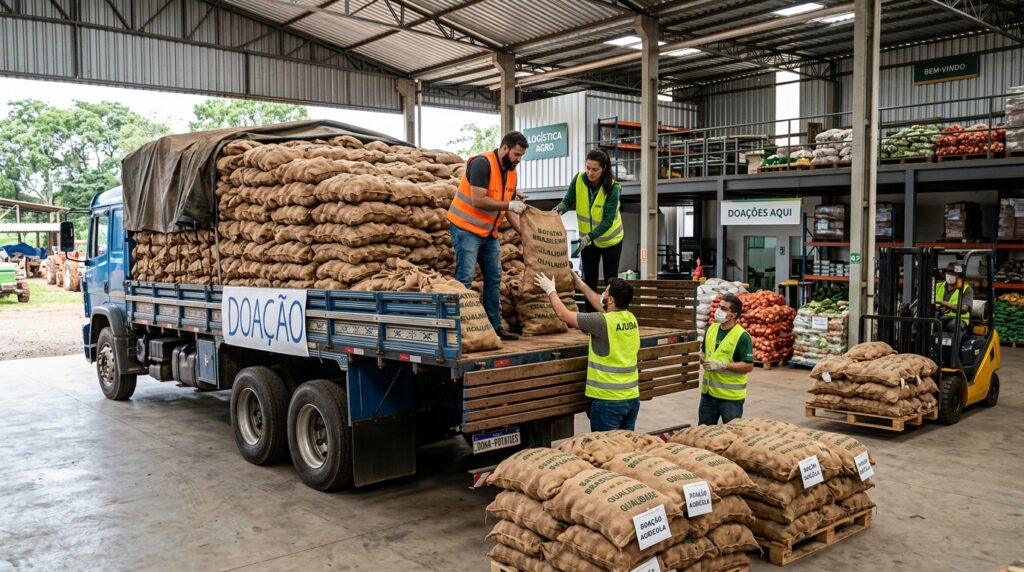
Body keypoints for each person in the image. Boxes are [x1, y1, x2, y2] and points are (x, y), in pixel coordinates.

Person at [447, 131, 530, 341]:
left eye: (521, 156)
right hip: (466, 229)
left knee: (494, 278)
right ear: (504, 148)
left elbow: (508, 210)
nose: (518, 160)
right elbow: (478, 200)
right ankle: (459, 330)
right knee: (465, 278)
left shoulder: (511, 173)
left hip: (489, 234)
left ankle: (495, 327)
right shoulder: (482, 164)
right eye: (516, 155)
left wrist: (525, 234)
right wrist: (509, 204)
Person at [534, 271, 641, 431]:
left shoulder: (600, 321)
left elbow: (563, 315)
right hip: (631, 399)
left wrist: (550, 289)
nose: (602, 294)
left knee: (604, 451)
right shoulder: (630, 319)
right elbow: (599, 303)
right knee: (625, 446)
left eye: (605, 292)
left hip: (608, 401)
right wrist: (581, 285)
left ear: (611, 300)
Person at [554, 148, 624, 311]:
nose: (590, 173)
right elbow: (567, 201)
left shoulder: (613, 188)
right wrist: (555, 212)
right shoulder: (579, 179)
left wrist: (589, 236)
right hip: (589, 241)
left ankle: (611, 317)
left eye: (595, 169)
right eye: (588, 168)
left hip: (611, 241)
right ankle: (591, 319)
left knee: (610, 281)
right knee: (589, 280)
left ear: (604, 169)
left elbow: (607, 221)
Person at [699, 293, 754, 425]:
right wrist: (702, 357)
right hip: (708, 395)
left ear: (733, 315)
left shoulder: (742, 336)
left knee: (731, 435)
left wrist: (722, 365)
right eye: (719, 307)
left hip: (730, 398)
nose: (718, 311)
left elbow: (748, 366)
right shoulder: (711, 329)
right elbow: (704, 352)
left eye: (724, 309)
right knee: (703, 434)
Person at [936, 262, 972, 332]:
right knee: (920, 322)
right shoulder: (938, 286)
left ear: (959, 275)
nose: (949, 275)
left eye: (953, 273)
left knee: (954, 324)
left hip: (957, 319)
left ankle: (954, 343)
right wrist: (939, 308)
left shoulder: (966, 289)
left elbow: (964, 309)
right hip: (939, 318)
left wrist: (948, 305)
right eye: (948, 272)